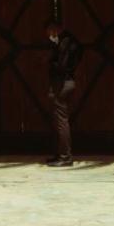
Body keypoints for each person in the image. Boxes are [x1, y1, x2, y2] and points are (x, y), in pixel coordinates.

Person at [45, 19, 82, 167]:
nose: (48, 34)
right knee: (59, 120)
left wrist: (50, 62)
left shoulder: (65, 42)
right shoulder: (70, 42)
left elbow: (62, 65)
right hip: (66, 81)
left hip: (62, 83)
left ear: (54, 28)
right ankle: (60, 154)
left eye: (49, 31)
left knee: (61, 121)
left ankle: (65, 156)